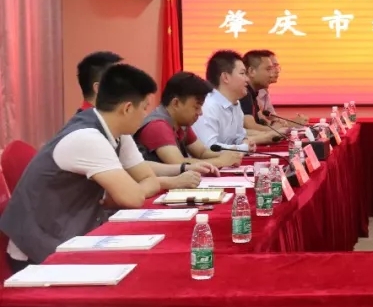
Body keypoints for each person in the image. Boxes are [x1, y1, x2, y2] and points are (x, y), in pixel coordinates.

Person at [0, 64, 161, 271]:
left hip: (70, 232)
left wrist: (130, 191)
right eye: (145, 107)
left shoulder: (117, 132)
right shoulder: (87, 137)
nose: (146, 115)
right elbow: (133, 198)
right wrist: (131, 191)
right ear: (127, 108)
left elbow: (148, 180)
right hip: (38, 253)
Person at [135, 71, 244, 176]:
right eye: (196, 107)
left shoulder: (181, 123)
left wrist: (227, 155)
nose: (200, 113)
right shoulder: (158, 126)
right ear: (176, 103)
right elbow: (179, 164)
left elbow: (201, 152)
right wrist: (221, 161)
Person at [192, 50, 277, 151]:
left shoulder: (235, 103)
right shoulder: (207, 106)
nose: (247, 79)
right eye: (242, 73)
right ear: (225, 77)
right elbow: (210, 148)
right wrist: (243, 147)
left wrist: (246, 141)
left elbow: (239, 136)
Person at [239, 50, 284, 132]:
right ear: (251, 71)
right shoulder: (244, 93)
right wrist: (275, 130)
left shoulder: (253, 94)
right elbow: (250, 126)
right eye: (268, 69)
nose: (271, 75)